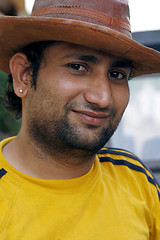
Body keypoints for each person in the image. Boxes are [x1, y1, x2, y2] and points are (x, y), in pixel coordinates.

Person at [0, 0, 159, 239]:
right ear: (24, 75)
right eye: (77, 67)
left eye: (117, 74)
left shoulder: (135, 179)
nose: (102, 98)